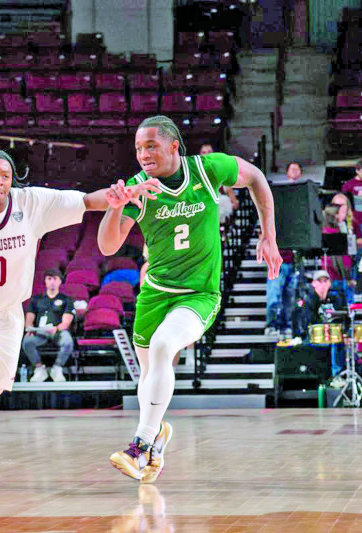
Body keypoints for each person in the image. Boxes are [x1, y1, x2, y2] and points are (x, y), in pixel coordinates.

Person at [0, 148, 151, 488]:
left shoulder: (31, 204)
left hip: (8, 317)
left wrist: (115, 198)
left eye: (4, 176)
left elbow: (84, 202)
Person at [97, 115, 281, 484]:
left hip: (199, 292)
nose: (143, 154)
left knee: (166, 345)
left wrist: (269, 234)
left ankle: (139, 445)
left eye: (151, 146)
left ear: (173, 146)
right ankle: (158, 437)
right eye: (138, 149)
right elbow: (107, 245)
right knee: (149, 375)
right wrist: (116, 205)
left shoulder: (208, 169)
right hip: (155, 293)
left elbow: (258, 178)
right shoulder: (139, 187)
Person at [264, 162, 307, 337]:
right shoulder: (276, 212)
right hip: (276, 260)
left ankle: (287, 325)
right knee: (274, 294)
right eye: (292, 168)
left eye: (298, 169)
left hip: (293, 259)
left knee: (290, 295)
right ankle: (271, 324)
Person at [22, 269, 75, 382]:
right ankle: (39, 369)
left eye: (55, 279)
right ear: (45, 281)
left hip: (58, 331)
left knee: (67, 341)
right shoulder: (36, 299)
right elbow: (29, 319)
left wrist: (56, 329)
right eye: (49, 279)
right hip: (40, 332)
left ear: (60, 281)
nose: (52, 282)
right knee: (27, 341)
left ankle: (57, 368)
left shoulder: (66, 299)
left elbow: (66, 322)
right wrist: (29, 329)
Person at [295, 270, 348, 376]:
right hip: (315, 336)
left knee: (338, 341)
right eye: (320, 281)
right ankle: (327, 374)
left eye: (325, 281)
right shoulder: (309, 299)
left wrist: (345, 333)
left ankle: (338, 375)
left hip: (334, 335)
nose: (323, 284)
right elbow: (307, 322)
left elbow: (344, 317)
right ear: (314, 284)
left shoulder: (336, 298)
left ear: (330, 283)